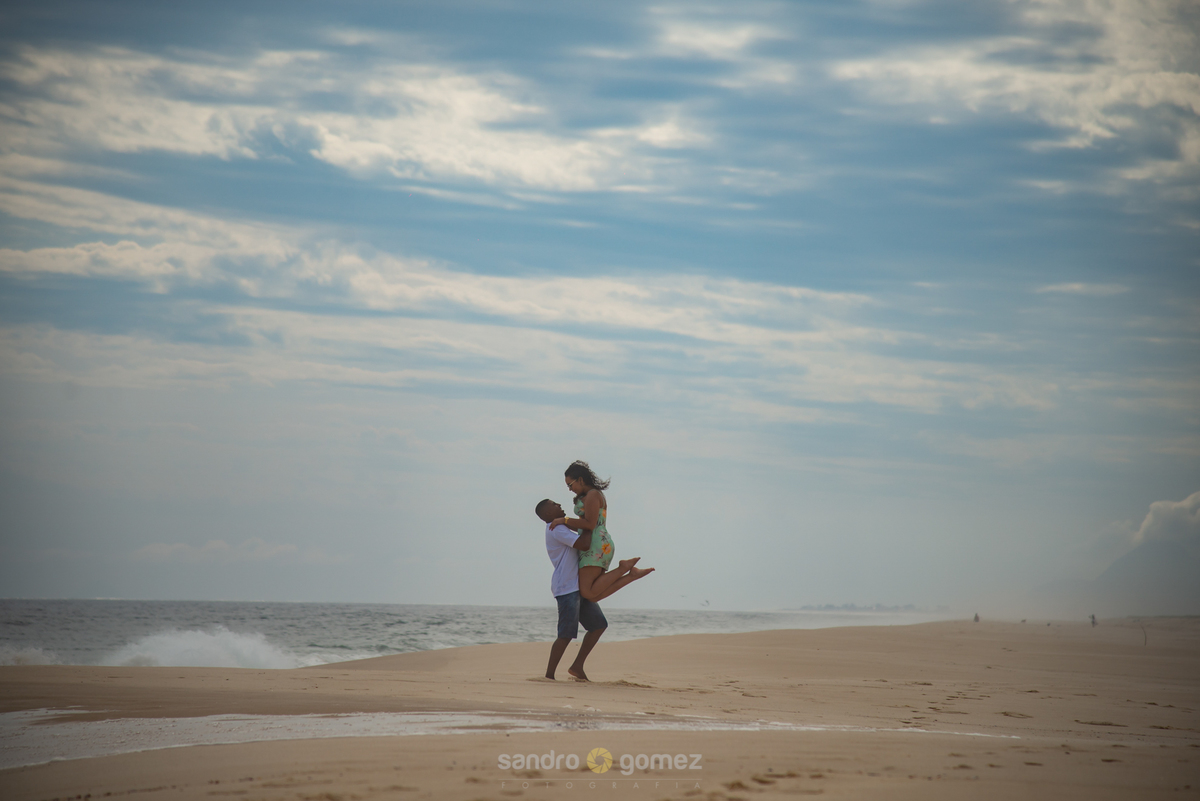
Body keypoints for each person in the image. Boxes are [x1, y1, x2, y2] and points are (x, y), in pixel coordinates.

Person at [536, 498, 648, 681]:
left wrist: (585, 523)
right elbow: (584, 544)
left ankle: (577, 666)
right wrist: (589, 524)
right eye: (554, 505)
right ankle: (549, 676)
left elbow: (582, 534)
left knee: (598, 625)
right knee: (565, 634)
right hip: (567, 587)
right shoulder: (556, 528)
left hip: (577, 585)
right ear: (548, 514)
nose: (559, 505)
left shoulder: (561, 526)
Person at [552, 460, 653, 603]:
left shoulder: (593, 495)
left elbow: (590, 524)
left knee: (587, 592)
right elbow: (584, 526)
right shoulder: (588, 495)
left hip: (596, 545)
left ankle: (623, 569)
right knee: (592, 596)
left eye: (570, 484)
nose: (569, 489)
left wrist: (565, 520)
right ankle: (631, 575)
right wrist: (564, 525)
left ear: (580, 480)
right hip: (597, 543)